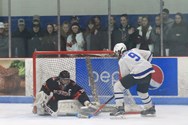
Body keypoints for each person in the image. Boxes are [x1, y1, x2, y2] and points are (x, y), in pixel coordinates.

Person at [110, 43, 156, 116]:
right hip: (149, 70)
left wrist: (120, 90)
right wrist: (143, 65)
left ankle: (119, 108)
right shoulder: (134, 50)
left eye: (116, 53)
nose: (116, 55)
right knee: (142, 91)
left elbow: (125, 76)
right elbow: (149, 54)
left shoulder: (122, 60)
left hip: (138, 73)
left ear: (118, 51)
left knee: (117, 86)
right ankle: (150, 108)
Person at [32, 70, 97, 115]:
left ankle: (88, 105)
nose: (66, 82)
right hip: (55, 100)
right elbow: (44, 90)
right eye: (64, 80)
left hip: (68, 102)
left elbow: (81, 92)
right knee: (44, 112)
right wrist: (38, 102)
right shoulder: (52, 81)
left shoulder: (72, 84)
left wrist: (87, 102)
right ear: (59, 79)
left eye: (67, 80)